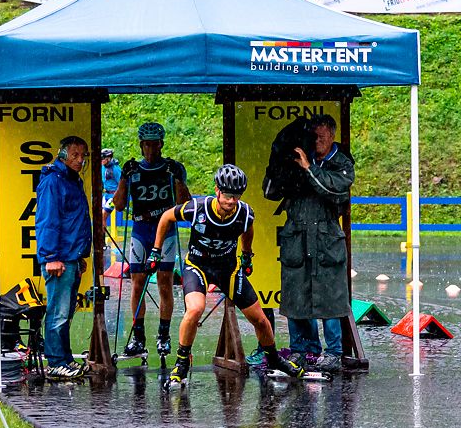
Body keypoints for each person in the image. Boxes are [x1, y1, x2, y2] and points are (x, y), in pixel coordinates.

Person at [149, 164, 302, 387]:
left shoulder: (244, 212)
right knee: (195, 309)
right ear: (217, 190)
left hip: (227, 269)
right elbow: (165, 218)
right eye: (228, 195)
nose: (231, 201)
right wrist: (156, 250)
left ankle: (275, 360)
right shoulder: (198, 208)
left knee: (259, 318)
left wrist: (247, 255)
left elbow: (248, 230)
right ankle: (181, 364)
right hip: (197, 266)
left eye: (236, 196)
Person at [275, 114, 355, 374]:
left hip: (326, 238)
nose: (316, 141)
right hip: (297, 236)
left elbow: (333, 189)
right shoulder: (297, 161)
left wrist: (309, 168)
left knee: (330, 295)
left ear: (332, 135)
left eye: (320, 137)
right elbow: (271, 191)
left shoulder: (342, 163)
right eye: (313, 137)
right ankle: (301, 349)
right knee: (297, 293)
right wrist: (279, 165)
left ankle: (333, 351)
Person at [112, 121, 190, 358]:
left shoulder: (172, 168)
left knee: (165, 282)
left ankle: (164, 336)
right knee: (137, 282)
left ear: (161, 144)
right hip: (140, 230)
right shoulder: (134, 169)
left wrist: (178, 179)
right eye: (146, 145)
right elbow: (119, 204)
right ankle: (138, 338)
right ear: (141, 145)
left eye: (155, 145)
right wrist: (124, 179)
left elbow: (185, 204)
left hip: (165, 230)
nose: (151, 150)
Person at [35, 135, 92, 380]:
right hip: (59, 258)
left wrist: (80, 255)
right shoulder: (53, 182)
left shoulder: (72, 180)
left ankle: (66, 359)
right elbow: (48, 222)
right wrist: (50, 256)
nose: (79, 160)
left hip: (72, 256)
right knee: (57, 311)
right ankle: (56, 362)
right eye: (75, 155)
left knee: (66, 311)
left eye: (83, 156)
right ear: (63, 155)